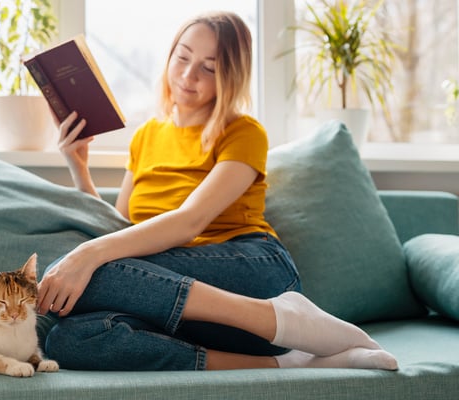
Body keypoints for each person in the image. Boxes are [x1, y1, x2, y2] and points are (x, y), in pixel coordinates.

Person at [36, 11, 398, 371]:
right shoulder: (147, 136)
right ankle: (289, 358)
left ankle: (279, 314)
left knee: (76, 270)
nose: (188, 75)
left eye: (209, 67)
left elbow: (189, 222)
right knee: (68, 339)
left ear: (230, 76)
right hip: (192, 313)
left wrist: (87, 254)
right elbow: (123, 230)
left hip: (253, 270)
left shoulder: (243, 132)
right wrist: (78, 165)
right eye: (182, 57)